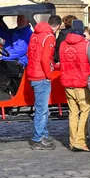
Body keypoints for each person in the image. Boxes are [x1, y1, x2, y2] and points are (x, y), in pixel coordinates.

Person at [59, 19, 90, 151]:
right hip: (81, 83)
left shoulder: (63, 44)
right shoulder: (86, 45)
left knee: (73, 112)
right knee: (86, 109)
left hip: (67, 83)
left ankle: (73, 141)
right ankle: (80, 140)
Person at [27, 14, 62, 150]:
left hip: (33, 72)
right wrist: (49, 74)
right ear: (57, 26)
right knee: (42, 109)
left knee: (42, 108)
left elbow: (30, 53)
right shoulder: (49, 37)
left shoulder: (35, 34)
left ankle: (43, 134)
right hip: (41, 75)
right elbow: (45, 59)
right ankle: (38, 138)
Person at [0, 15, 33, 95]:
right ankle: (0, 90)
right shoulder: (15, 31)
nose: (19, 20)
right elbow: (1, 31)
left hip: (19, 63)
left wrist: (3, 57)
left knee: (3, 65)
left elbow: (20, 50)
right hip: (10, 60)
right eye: (18, 18)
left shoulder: (27, 33)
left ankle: (3, 91)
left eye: (22, 18)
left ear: (27, 21)